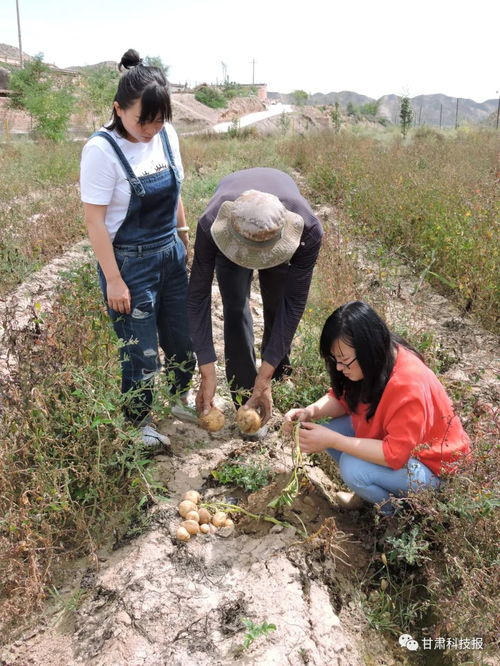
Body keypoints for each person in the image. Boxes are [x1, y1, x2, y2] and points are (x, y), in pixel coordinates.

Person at [80, 49, 195, 449]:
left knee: (181, 337)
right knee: (141, 351)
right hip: (129, 263)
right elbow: (95, 221)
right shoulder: (101, 150)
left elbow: (176, 189)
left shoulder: (166, 136)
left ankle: (181, 396)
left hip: (170, 252)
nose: (151, 129)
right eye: (142, 120)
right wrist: (113, 279)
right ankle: (138, 421)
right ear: (118, 109)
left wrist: (183, 236)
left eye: (159, 120)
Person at [284, 301, 471, 514]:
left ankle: (396, 515)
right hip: (405, 452)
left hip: (434, 471)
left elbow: (395, 455)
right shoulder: (373, 363)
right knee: (332, 429)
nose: (338, 367)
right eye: (334, 360)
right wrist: (310, 411)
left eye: (344, 361)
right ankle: (370, 494)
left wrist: (332, 440)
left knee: (352, 466)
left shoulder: (408, 385)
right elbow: (342, 399)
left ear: (368, 349)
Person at [187, 168, 323, 436]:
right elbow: (197, 297)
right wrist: (207, 370)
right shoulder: (213, 225)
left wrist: (265, 376)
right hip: (236, 235)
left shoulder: (308, 230)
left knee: (277, 302)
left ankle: (274, 376)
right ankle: (243, 394)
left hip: (274, 231)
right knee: (235, 308)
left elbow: (293, 304)